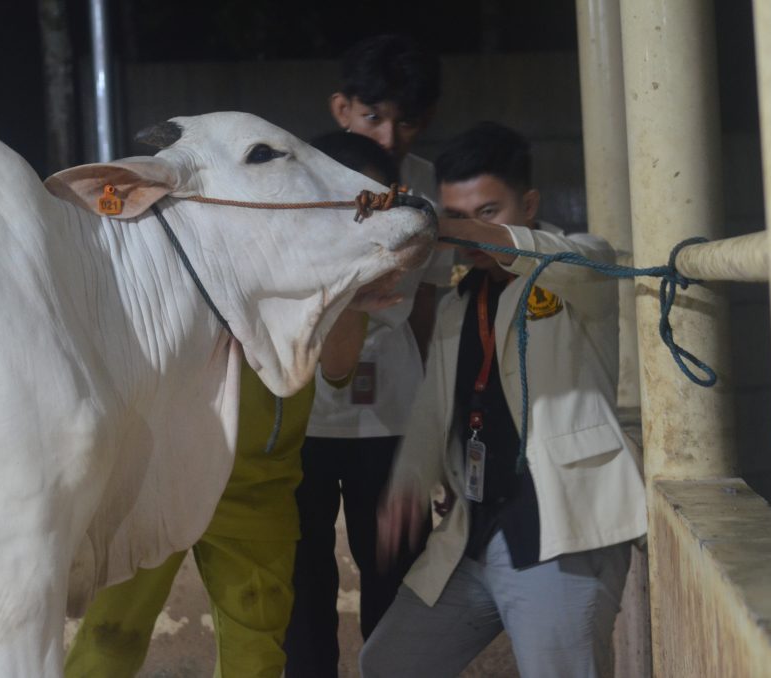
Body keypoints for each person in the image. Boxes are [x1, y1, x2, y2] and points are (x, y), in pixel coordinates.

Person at [63, 134, 405, 678]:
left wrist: (346, 291)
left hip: (256, 488)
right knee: (109, 636)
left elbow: (337, 371)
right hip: (156, 479)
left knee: (258, 655)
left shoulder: (320, 268)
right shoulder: (145, 258)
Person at [359, 121, 647, 678]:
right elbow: (430, 411)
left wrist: (444, 227)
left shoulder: (583, 263)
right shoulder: (455, 305)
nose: (470, 233)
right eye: (457, 214)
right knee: (388, 662)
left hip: (559, 534)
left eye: (486, 212)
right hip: (473, 534)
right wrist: (409, 484)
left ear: (530, 203)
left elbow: (542, 255)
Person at [284, 34, 448, 678]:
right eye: (372, 115)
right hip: (302, 411)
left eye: (405, 120)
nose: (388, 135)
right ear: (340, 108)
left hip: (393, 413)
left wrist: (438, 419)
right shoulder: (295, 183)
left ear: (425, 120)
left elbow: (431, 307)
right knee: (302, 576)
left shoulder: (430, 189)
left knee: (395, 568)